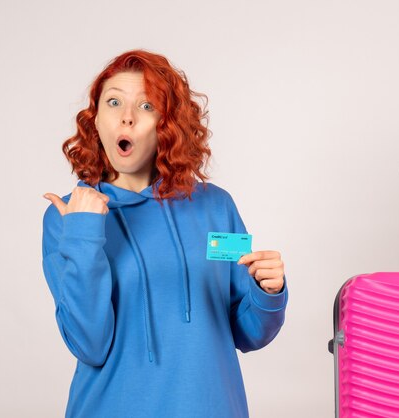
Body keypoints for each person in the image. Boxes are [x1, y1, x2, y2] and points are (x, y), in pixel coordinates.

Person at [41, 49, 288, 418]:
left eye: (146, 106)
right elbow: (89, 344)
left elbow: (248, 332)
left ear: (167, 124)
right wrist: (84, 233)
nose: (126, 117)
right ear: (96, 121)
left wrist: (268, 292)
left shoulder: (215, 207)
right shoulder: (68, 217)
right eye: (113, 103)